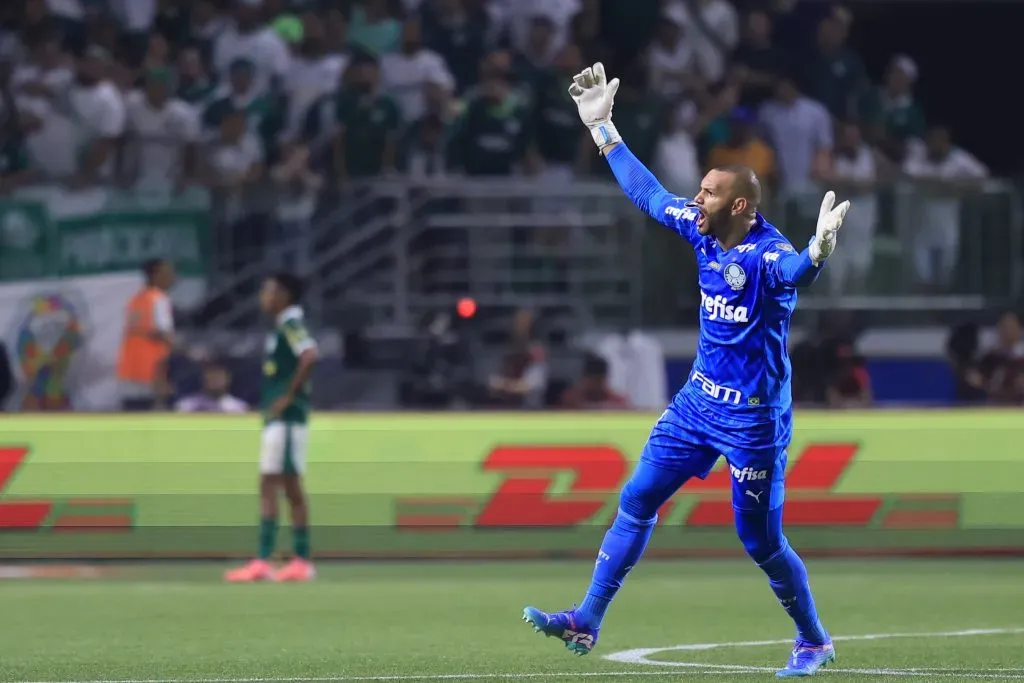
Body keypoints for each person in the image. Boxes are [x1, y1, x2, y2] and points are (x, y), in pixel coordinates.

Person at [522, 63, 850, 678]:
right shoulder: (704, 233)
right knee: (637, 497)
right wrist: (604, 131)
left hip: (753, 418)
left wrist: (818, 252)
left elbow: (794, 274)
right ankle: (588, 618)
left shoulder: (768, 252)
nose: (695, 200)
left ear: (741, 205)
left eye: (708, 194)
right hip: (697, 404)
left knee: (758, 541)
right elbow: (647, 194)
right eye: (698, 190)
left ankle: (813, 640)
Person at [225, 273, 319, 583]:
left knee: (280, 485)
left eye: (268, 291)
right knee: (280, 485)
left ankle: (281, 560)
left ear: (285, 295)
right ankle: (285, 560)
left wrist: (288, 396)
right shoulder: (282, 327)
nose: (263, 297)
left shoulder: (292, 325)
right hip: (281, 419)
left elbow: (310, 355)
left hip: (288, 419)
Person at [116, 259, 176, 411]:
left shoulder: (136, 299)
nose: (173, 277)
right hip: (152, 370)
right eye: (168, 273)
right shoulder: (158, 298)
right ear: (155, 275)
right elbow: (162, 334)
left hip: (131, 368)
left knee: (132, 413)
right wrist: (190, 351)